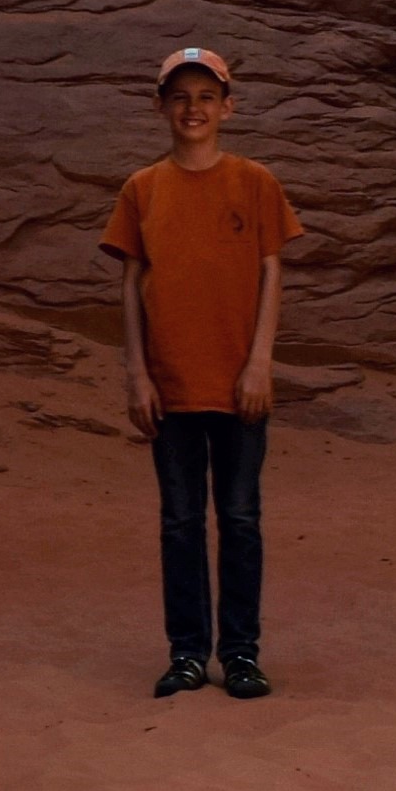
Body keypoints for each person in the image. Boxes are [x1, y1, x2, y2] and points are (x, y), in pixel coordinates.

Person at [97, 44, 305, 699]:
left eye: (206, 97)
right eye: (181, 97)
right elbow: (132, 282)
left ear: (228, 107)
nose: (194, 109)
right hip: (171, 384)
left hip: (240, 380)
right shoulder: (143, 189)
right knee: (181, 521)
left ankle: (240, 653)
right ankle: (188, 652)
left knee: (240, 517)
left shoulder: (255, 182)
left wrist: (260, 361)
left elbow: (272, 268)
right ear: (161, 107)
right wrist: (137, 373)